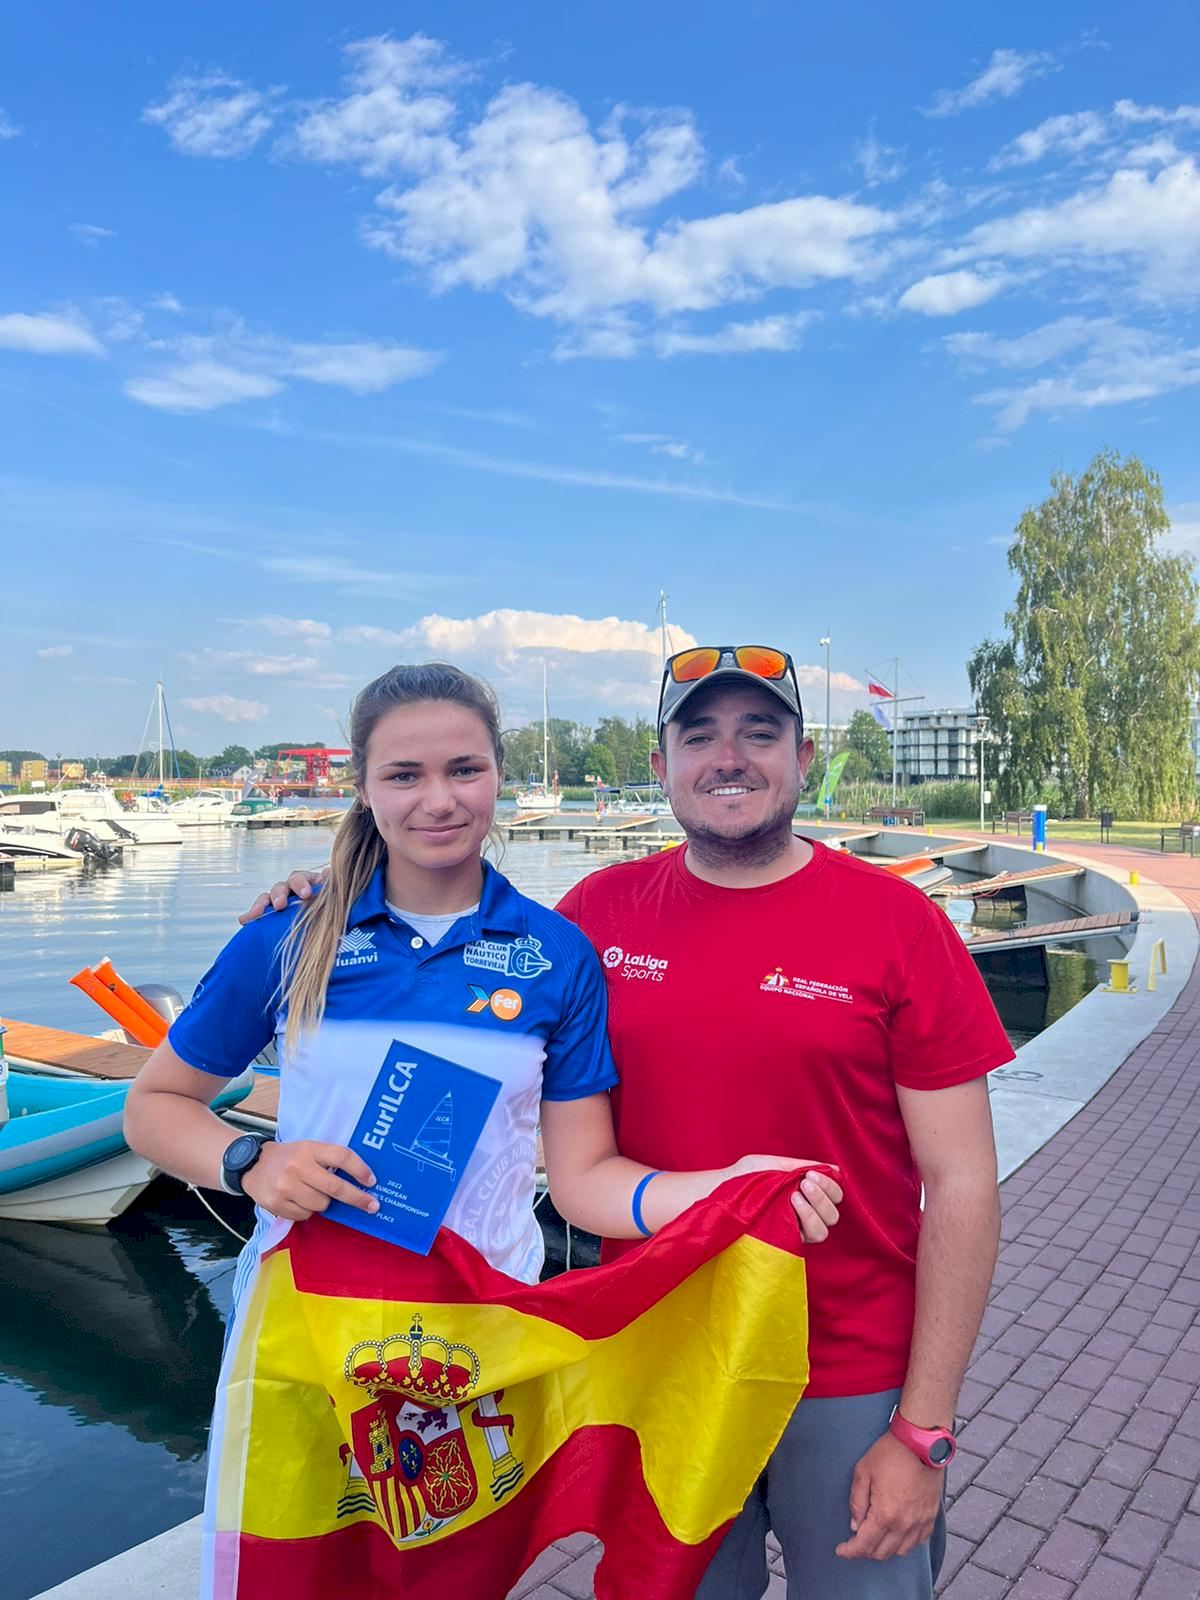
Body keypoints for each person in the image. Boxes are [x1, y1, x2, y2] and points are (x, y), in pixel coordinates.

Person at [254, 645, 1011, 1600]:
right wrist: (330, 901)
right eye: (699, 738)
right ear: (661, 765)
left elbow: (963, 1184)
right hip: (659, 1358)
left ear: (803, 757)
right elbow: (456, 977)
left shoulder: (899, 924)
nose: (728, 758)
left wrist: (924, 1427)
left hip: (847, 1369)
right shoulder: (595, 919)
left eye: (759, 733)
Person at [126, 663, 842, 1589]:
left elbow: (582, 1182)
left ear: (499, 773)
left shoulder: (556, 955)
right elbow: (154, 1106)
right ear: (363, 786)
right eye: (404, 775)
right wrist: (249, 1161)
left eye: (464, 769)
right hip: (308, 1327)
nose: (438, 800)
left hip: (475, 1340)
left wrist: (730, 1190)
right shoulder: (290, 935)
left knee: (449, 1580)